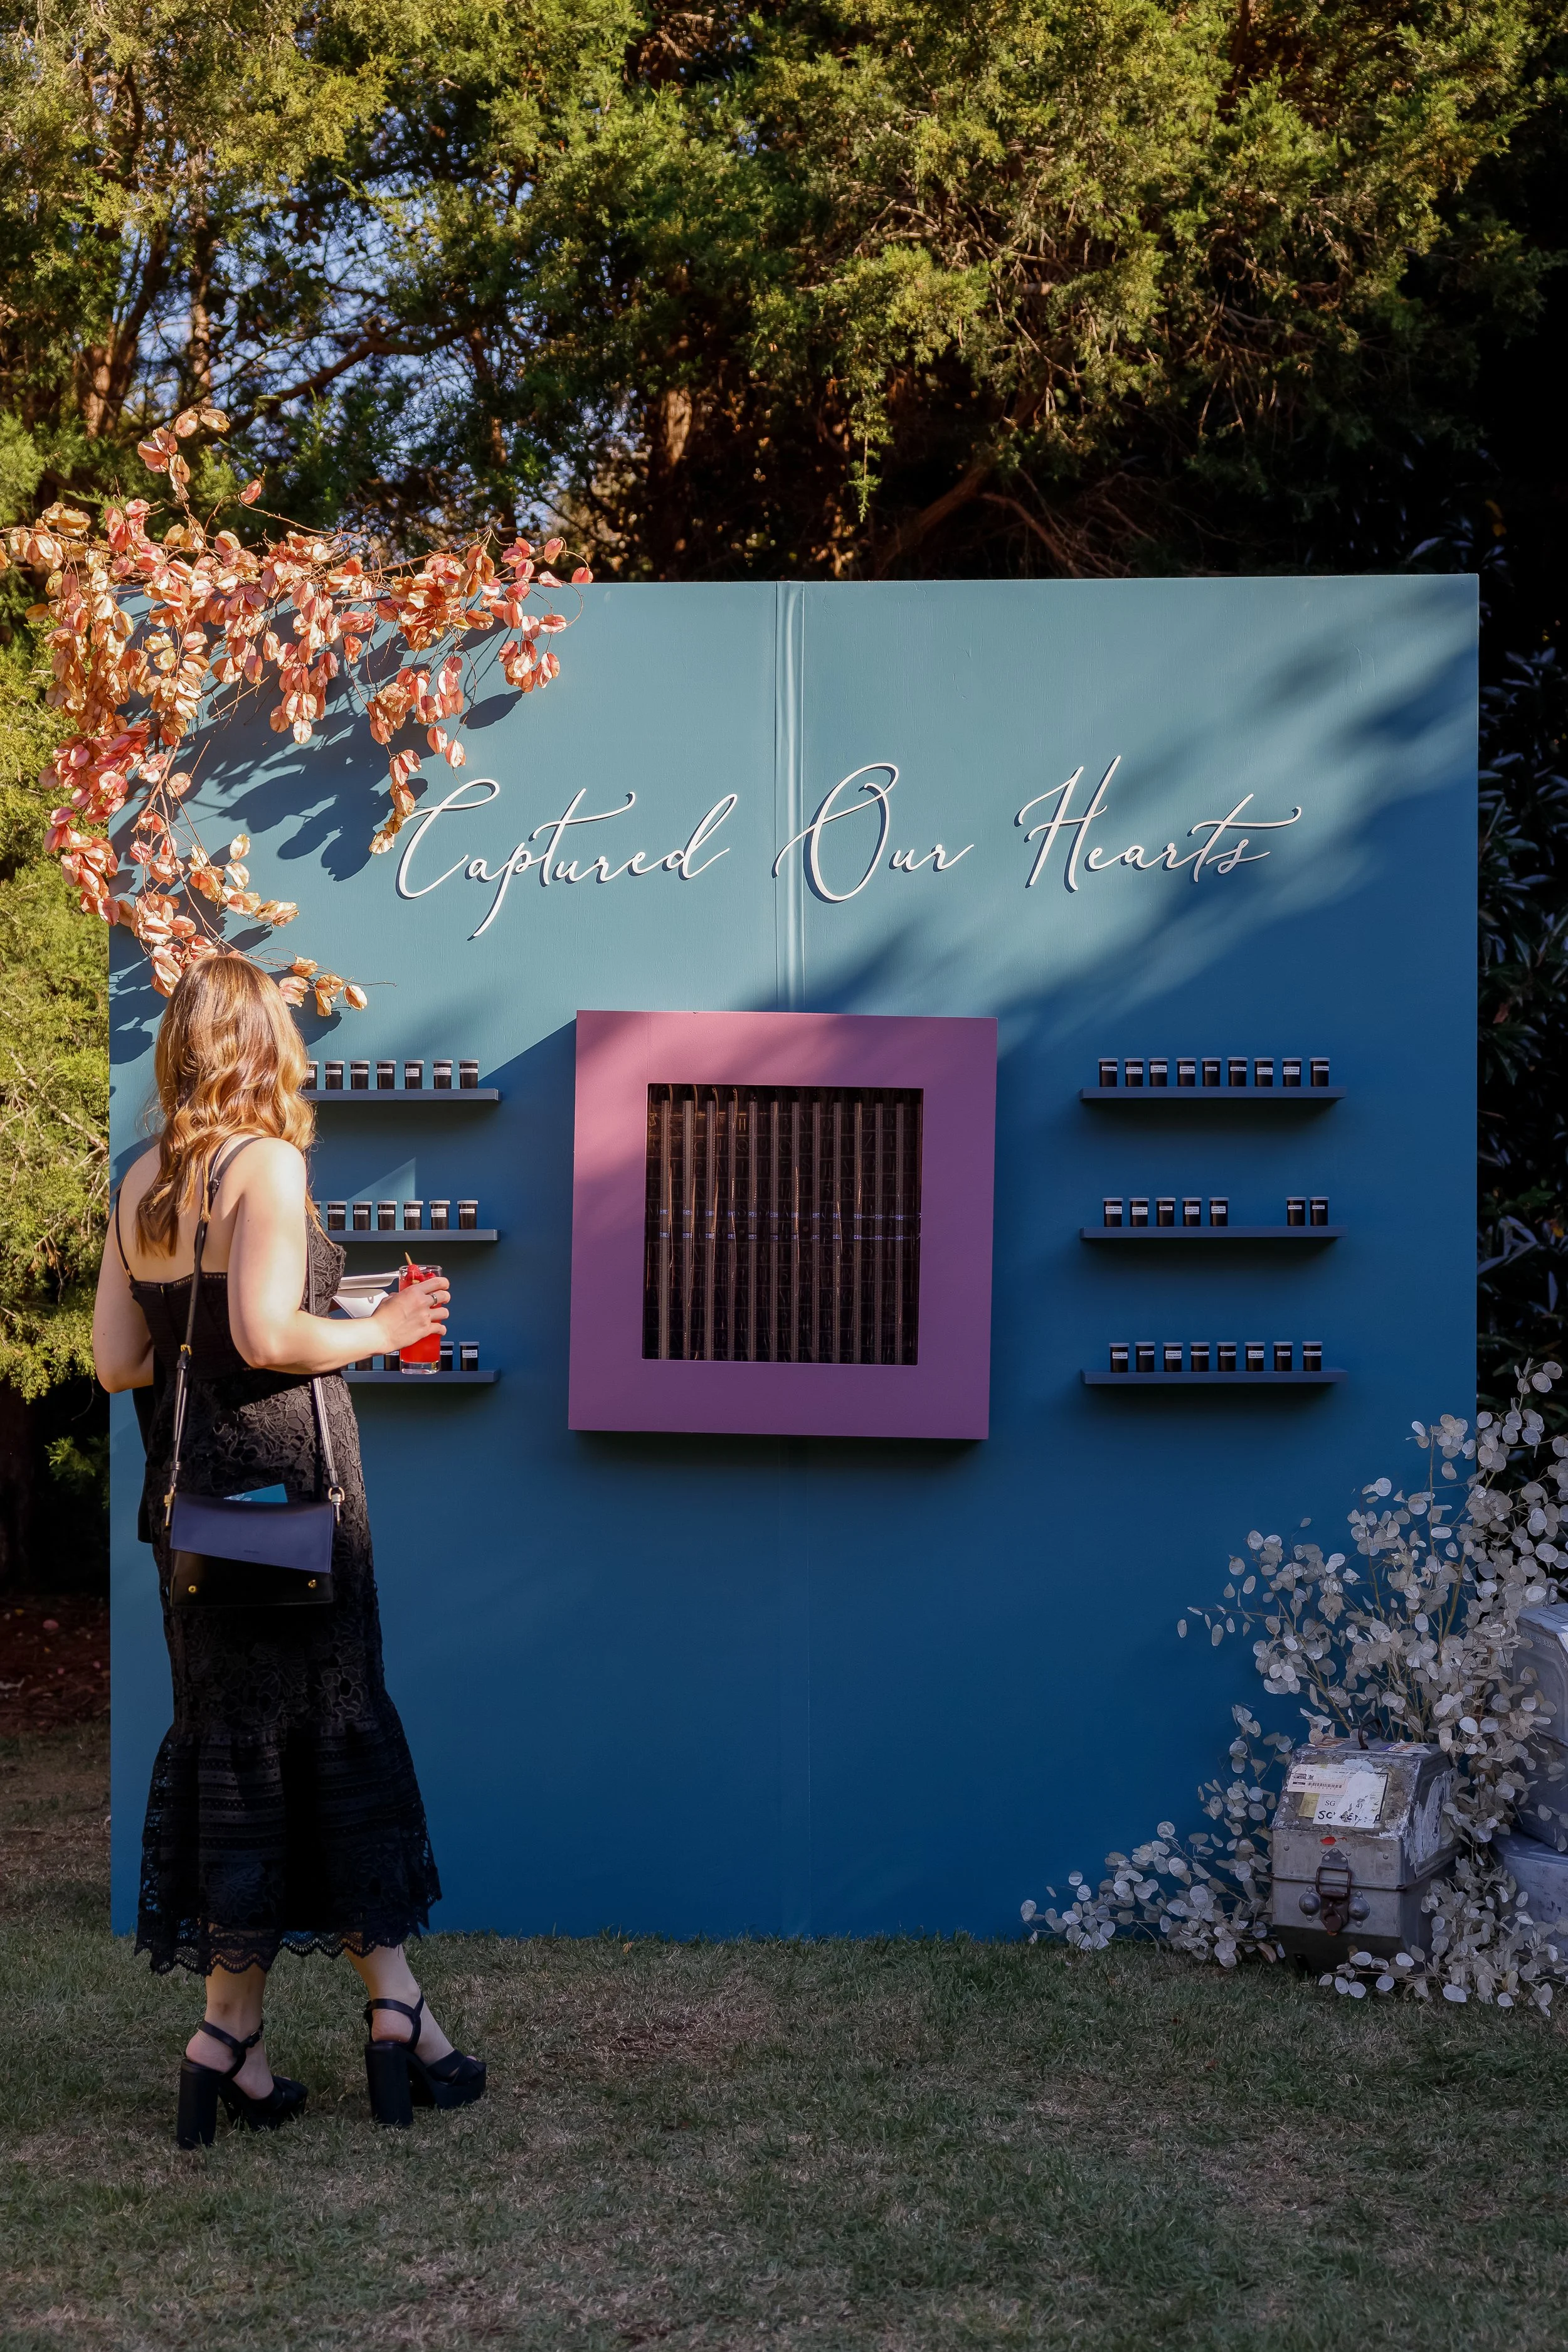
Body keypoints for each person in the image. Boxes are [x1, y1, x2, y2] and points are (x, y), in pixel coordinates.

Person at [92, 954, 485, 2143]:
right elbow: (267, 1334)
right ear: (266, 1047)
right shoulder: (265, 1162)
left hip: (194, 1522)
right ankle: (395, 2019)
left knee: (241, 1753)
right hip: (295, 1510)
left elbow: (118, 1360)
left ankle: (232, 2039)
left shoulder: (142, 1180)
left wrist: (248, 1330)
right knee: (328, 1740)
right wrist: (385, 1325)